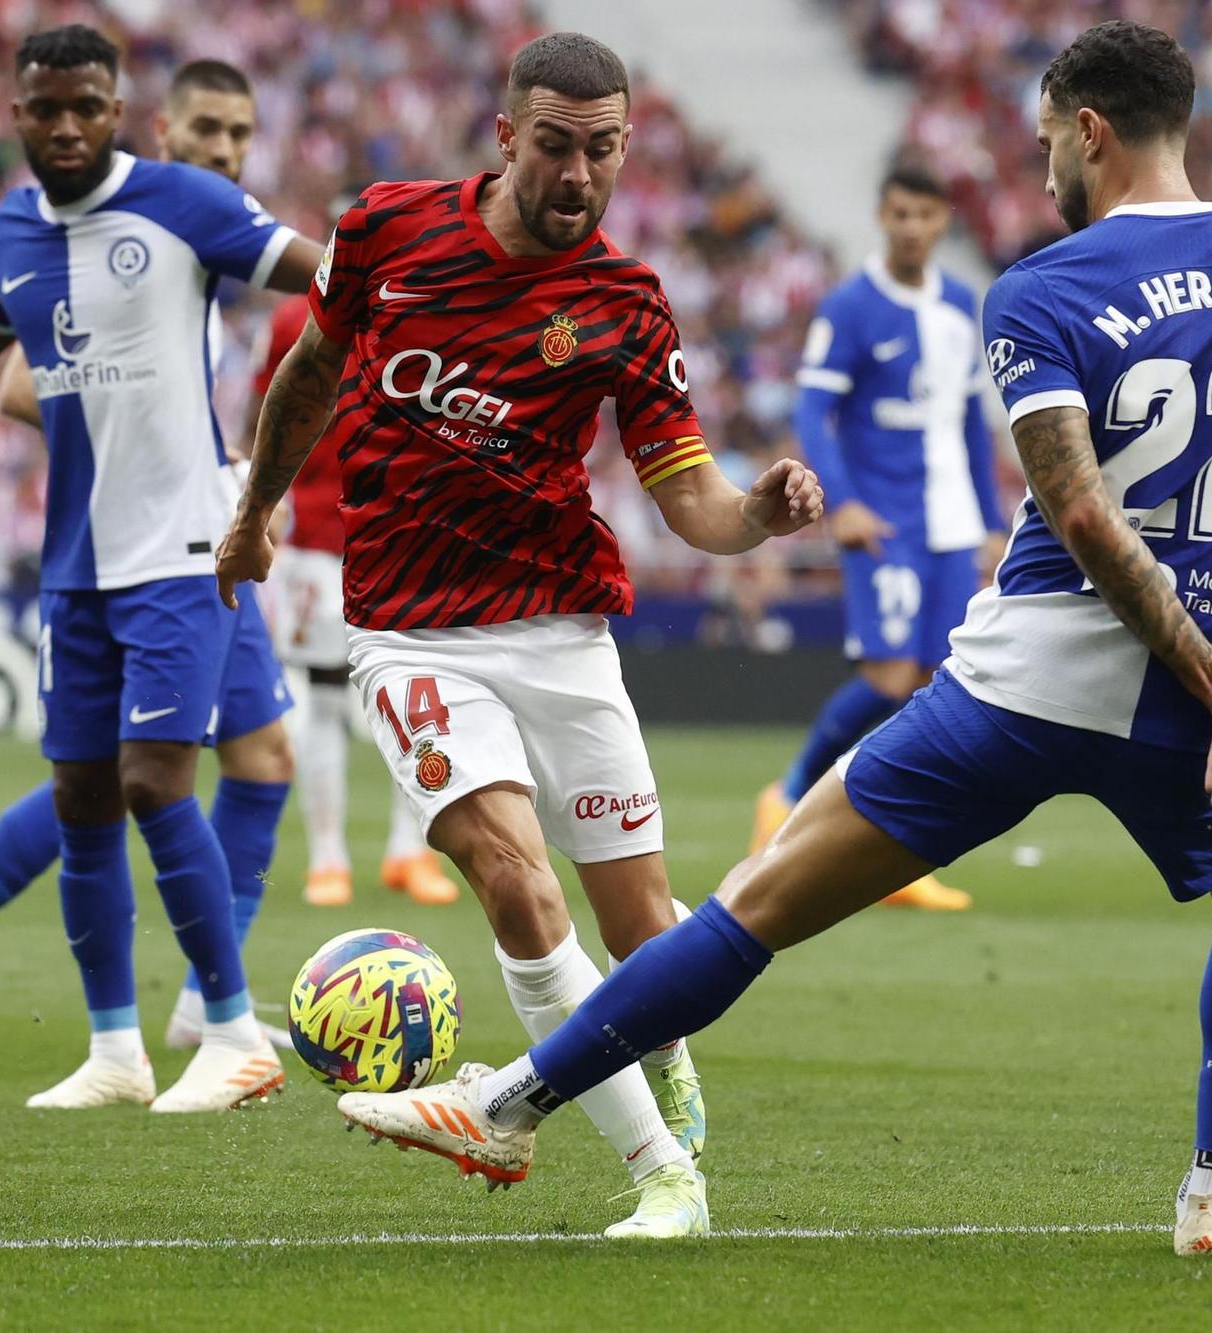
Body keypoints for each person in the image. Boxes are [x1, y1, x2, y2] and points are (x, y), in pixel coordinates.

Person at [333, 20, 1212, 1262]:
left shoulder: (1042, 286)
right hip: (1197, 715)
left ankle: (507, 1106)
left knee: (752, 905)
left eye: (1048, 136)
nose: (1043, 161)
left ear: (1088, 131)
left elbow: (1080, 512)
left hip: (1028, 679)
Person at [214, 32, 824, 1238]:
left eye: (602, 151)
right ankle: (661, 1177)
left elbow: (687, 495)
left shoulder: (623, 305)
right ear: (505, 137)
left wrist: (752, 513)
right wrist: (253, 512)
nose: (577, 175)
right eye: (555, 145)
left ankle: (652, 1058)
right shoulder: (385, 229)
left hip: (559, 627)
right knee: (513, 881)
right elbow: (311, 375)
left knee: (647, 932)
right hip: (410, 630)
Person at [0, 25, 326, 1113]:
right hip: (76, 564)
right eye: (45, 108)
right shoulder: (9, 229)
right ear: (16, 117)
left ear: (117, 110)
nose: (65, 125)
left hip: (185, 549)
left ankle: (227, 1029)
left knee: (156, 780)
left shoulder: (184, 203)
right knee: (85, 793)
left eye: (85, 105)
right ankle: (112, 1049)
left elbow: (327, 278)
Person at [752, 163, 1009, 912]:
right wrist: (845, 503)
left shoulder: (963, 305)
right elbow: (813, 412)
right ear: (881, 216)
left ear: (942, 222)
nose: (910, 228)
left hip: (950, 522)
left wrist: (991, 519)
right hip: (885, 521)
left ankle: (889, 851)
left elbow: (967, 420)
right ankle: (789, 792)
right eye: (898, 213)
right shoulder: (852, 306)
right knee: (891, 675)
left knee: (933, 684)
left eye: (924, 215)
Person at [253, 292, 459, 909]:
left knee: (422, 695)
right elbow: (271, 410)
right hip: (317, 532)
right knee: (320, 696)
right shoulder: (296, 319)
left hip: (408, 526)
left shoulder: (434, 308)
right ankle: (327, 858)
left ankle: (409, 850)